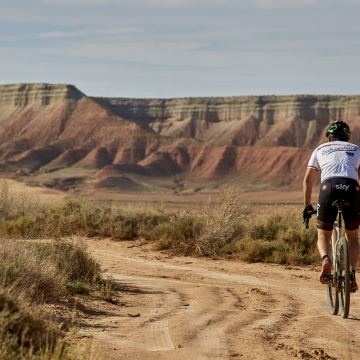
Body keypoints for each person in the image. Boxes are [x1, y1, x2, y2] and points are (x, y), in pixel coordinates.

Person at [303, 120, 360, 292]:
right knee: (353, 237)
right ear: (347, 137)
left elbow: (308, 181)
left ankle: (326, 259)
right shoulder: (356, 149)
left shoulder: (320, 149)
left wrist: (307, 206)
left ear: (329, 137)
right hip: (352, 188)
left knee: (323, 235)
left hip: (329, 188)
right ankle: (351, 274)